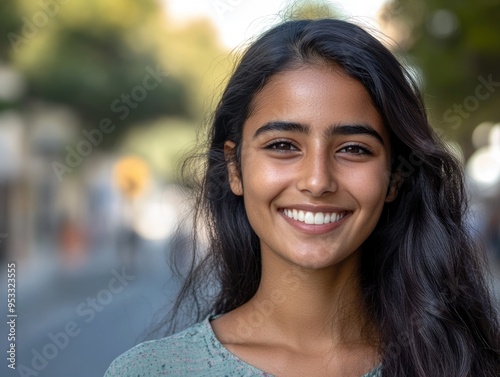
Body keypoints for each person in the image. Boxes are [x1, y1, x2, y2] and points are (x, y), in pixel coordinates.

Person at [104, 18, 500, 377]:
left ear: (395, 177)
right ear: (235, 168)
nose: (317, 180)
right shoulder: (151, 371)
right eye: (282, 145)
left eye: (354, 149)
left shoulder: (465, 363)